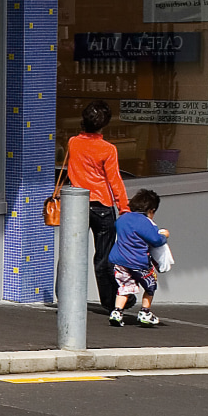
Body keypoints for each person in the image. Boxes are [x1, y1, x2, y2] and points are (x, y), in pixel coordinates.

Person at [55, 100, 129, 311]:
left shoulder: (73, 143)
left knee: (69, 251)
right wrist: (124, 208)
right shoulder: (108, 149)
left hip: (77, 204)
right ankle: (110, 301)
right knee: (104, 258)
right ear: (103, 125)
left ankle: (64, 295)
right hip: (102, 206)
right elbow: (115, 181)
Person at [107, 190, 168, 327]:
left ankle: (117, 312)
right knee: (150, 285)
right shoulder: (145, 222)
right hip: (138, 262)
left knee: (124, 286)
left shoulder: (122, 219)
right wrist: (164, 235)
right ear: (151, 210)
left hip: (119, 261)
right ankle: (145, 312)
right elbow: (156, 240)